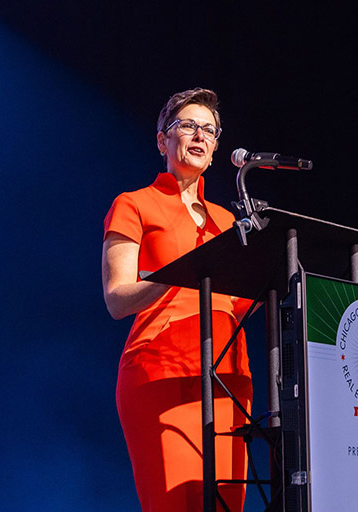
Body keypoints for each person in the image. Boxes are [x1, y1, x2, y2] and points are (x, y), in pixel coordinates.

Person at [101, 88, 252, 511]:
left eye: (209, 129)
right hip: (159, 375)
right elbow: (117, 299)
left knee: (226, 504)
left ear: (218, 145)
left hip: (228, 379)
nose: (199, 135)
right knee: (173, 501)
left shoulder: (227, 221)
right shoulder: (134, 205)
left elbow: (238, 305)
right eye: (187, 125)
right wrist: (181, 273)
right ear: (162, 140)